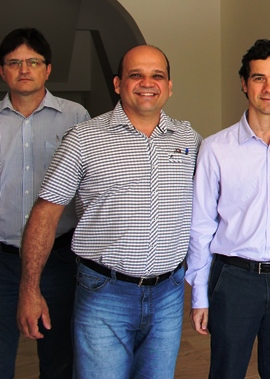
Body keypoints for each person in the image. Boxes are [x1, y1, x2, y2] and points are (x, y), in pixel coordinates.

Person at [17, 44, 201, 379]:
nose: (147, 83)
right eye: (136, 75)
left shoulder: (190, 139)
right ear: (118, 84)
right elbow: (45, 213)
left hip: (168, 295)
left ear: (169, 86)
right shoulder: (83, 139)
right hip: (105, 294)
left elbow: (231, 182)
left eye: (157, 75)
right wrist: (30, 289)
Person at [186, 39, 270, 379]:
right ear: (244, 84)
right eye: (259, 78)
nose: (268, 88)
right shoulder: (215, 148)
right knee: (227, 372)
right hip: (234, 281)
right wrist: (199, 295)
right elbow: (201, 225)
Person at [0, 28, 90, 379]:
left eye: (33, 62)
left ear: (48, 69)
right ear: (2, 71)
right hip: (3, 258)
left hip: (59, 258)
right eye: (14, 63)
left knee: (59, 359)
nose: (24, 69)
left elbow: (89, 185)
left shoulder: (75, 117)